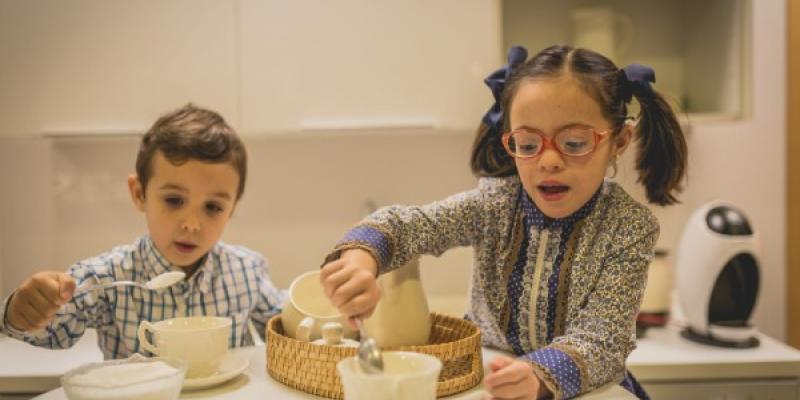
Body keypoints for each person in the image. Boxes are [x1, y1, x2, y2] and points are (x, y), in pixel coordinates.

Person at [319, 45, 687, 400]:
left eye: (574, 143)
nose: (549, 161)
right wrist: (358, 262)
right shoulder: (495, 204)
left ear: (620, 139)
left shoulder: (628, 227)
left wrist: (538, 376)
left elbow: (602, 340)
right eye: (528, 144)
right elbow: (405, 225)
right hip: (491, 382)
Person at [0, 104, 285, 359]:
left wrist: (322, 303)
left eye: (213, 207)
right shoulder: (107, 278)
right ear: (139, 194)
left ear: (232, 208)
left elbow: (289, 326)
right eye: (174, 200)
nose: (192, 224)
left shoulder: (247, 271)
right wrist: (23, 311)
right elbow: (53, 331)